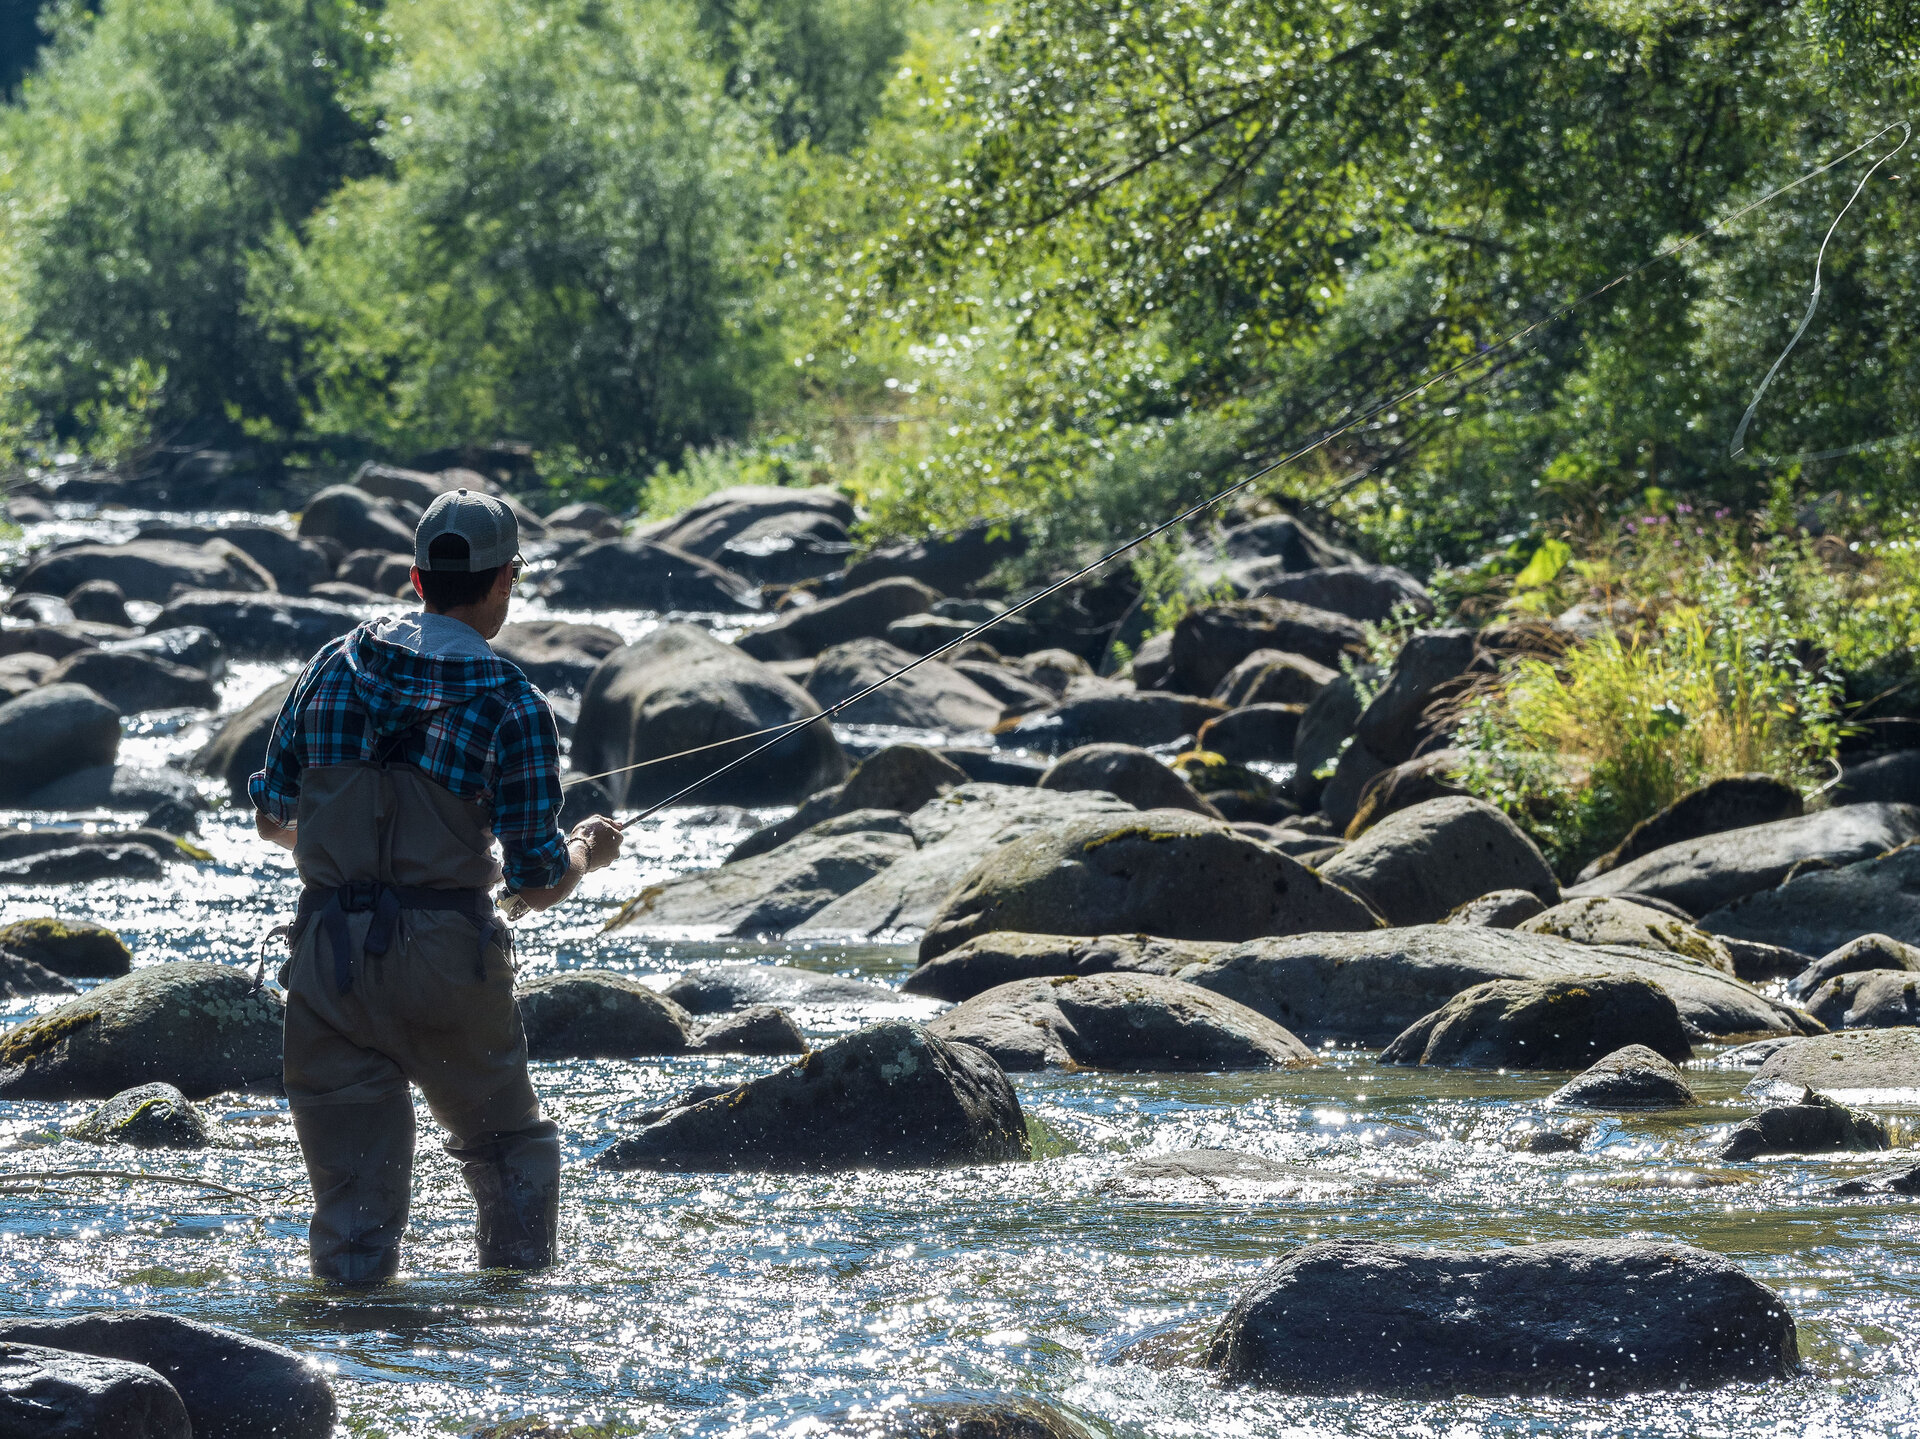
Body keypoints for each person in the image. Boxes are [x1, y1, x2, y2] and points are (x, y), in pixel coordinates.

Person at [249, 488, 622, 1285]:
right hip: (448, 962)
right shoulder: (514, 704)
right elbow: (537, 878)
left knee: (352, 1225)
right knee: (508, 1148)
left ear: (416, 579)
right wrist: (588, 850)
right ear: (504, 581)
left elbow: (274, 818)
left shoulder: (329, 668)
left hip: (327, 962)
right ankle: (512, 1334)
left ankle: (353, 1366)